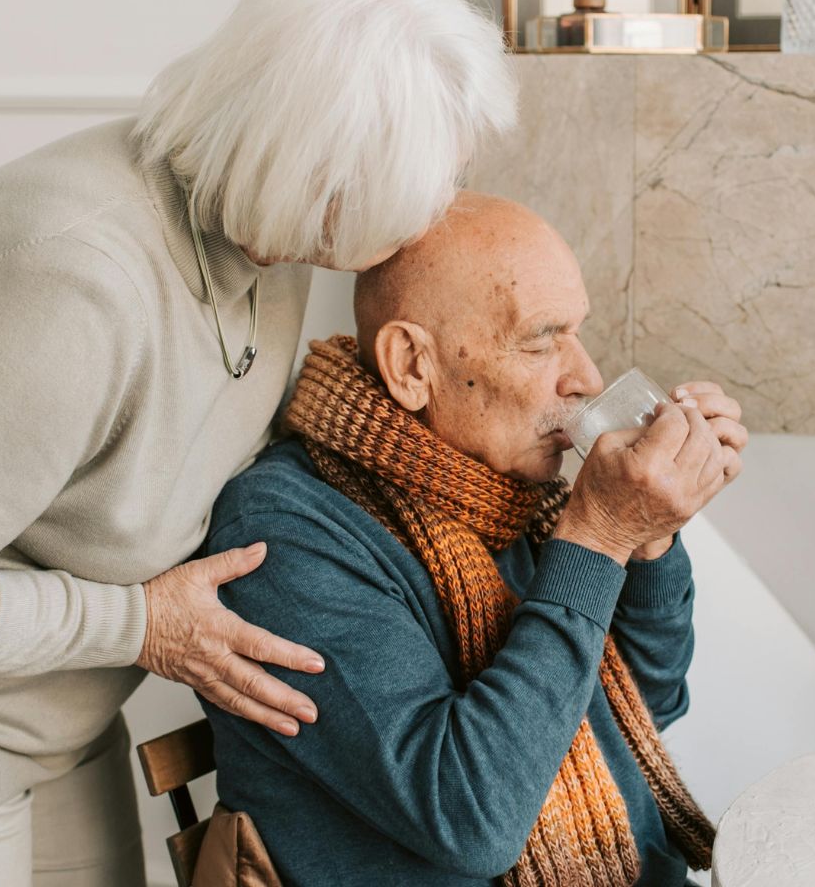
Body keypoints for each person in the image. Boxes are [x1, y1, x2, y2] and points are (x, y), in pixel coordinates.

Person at [0, 0, 518, 886]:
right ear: (321, 170)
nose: (441, 206)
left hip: (56, 715)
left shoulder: (270, 239)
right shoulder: (67, 287)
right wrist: (139, 625)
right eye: (428, 175)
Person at [199, 192, 749, 886]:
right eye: (542, 339)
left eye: (577, 333)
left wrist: (648, 541)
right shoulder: (286, 537)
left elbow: (644, 705)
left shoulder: (506, 492)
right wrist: (599, 536)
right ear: (410, 366)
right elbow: (473, 821)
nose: (586, 378)